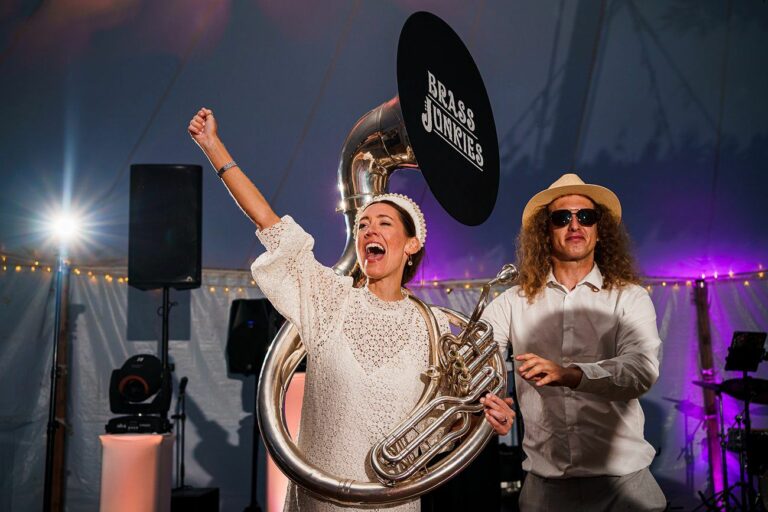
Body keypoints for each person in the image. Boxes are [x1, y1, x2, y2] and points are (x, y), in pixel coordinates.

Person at [187, 108, 514, 512]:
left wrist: (488, 415)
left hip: (394, 504)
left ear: (411, 244)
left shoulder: (434, 327)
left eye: (384, 223)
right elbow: (271, 225)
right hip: (318, 502)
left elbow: (446, 420)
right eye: (362, 225)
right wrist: (214, 148)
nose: (369, 230)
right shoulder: (331, 298)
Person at [481, 173, 666, 512]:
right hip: (545, 489)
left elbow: (641, 370)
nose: (575, 224)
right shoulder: (511, 302)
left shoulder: (630, 297)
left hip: (623, 487)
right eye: (562, 218)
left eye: (586, 216)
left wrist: (571, 374)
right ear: (545, 231)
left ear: (599, 229)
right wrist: (491, 404)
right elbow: (477, 361)